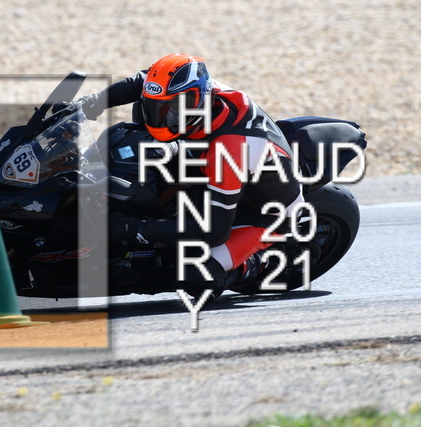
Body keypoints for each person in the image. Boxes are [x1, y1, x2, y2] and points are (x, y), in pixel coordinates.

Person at [76, 53, 305, 297]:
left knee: (195, 276)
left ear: (198, 102)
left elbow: (214, 230)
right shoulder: (199, 91)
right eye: (158, 108)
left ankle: (257, 263)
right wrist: (90, 103)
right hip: (227, 175)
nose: (162, 117)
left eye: (173, 110)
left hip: (263, 213)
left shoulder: (228, 151)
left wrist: (137, 229)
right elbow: (141, 82)